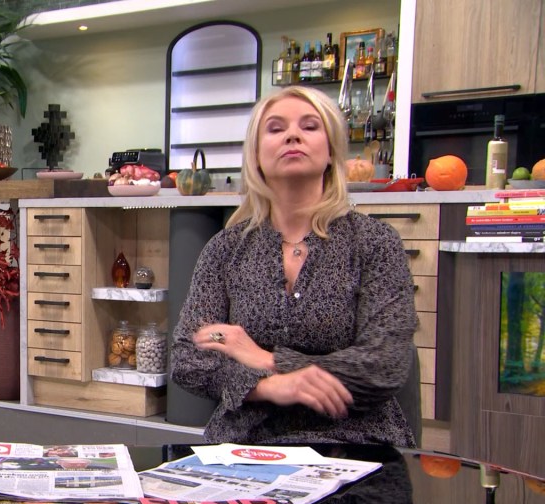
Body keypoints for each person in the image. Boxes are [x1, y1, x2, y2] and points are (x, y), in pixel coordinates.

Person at [170, 86, 417, 448]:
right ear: (256, 155)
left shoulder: (375, 243)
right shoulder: (225, 250)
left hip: (355, 443)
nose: (292, 135)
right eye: (275, 128)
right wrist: (271, 386)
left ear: (331, 151)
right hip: (246, 443)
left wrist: (268, 359)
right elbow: (189, 358)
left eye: (310, 126)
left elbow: (383, 365)